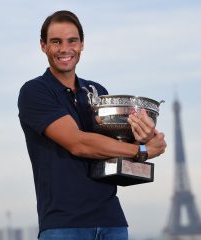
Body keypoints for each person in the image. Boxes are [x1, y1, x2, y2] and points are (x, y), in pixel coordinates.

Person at [18, 10, 167, 240]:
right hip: (64, 224)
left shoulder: (97, 93)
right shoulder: (35, 92)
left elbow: (116, 158)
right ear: (43, 46)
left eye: (72, 41)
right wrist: (142, 151)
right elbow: (78, 143)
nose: (65, 49)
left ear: (82, 44)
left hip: (112, 221)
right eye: (56, 42)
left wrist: (144, 137)